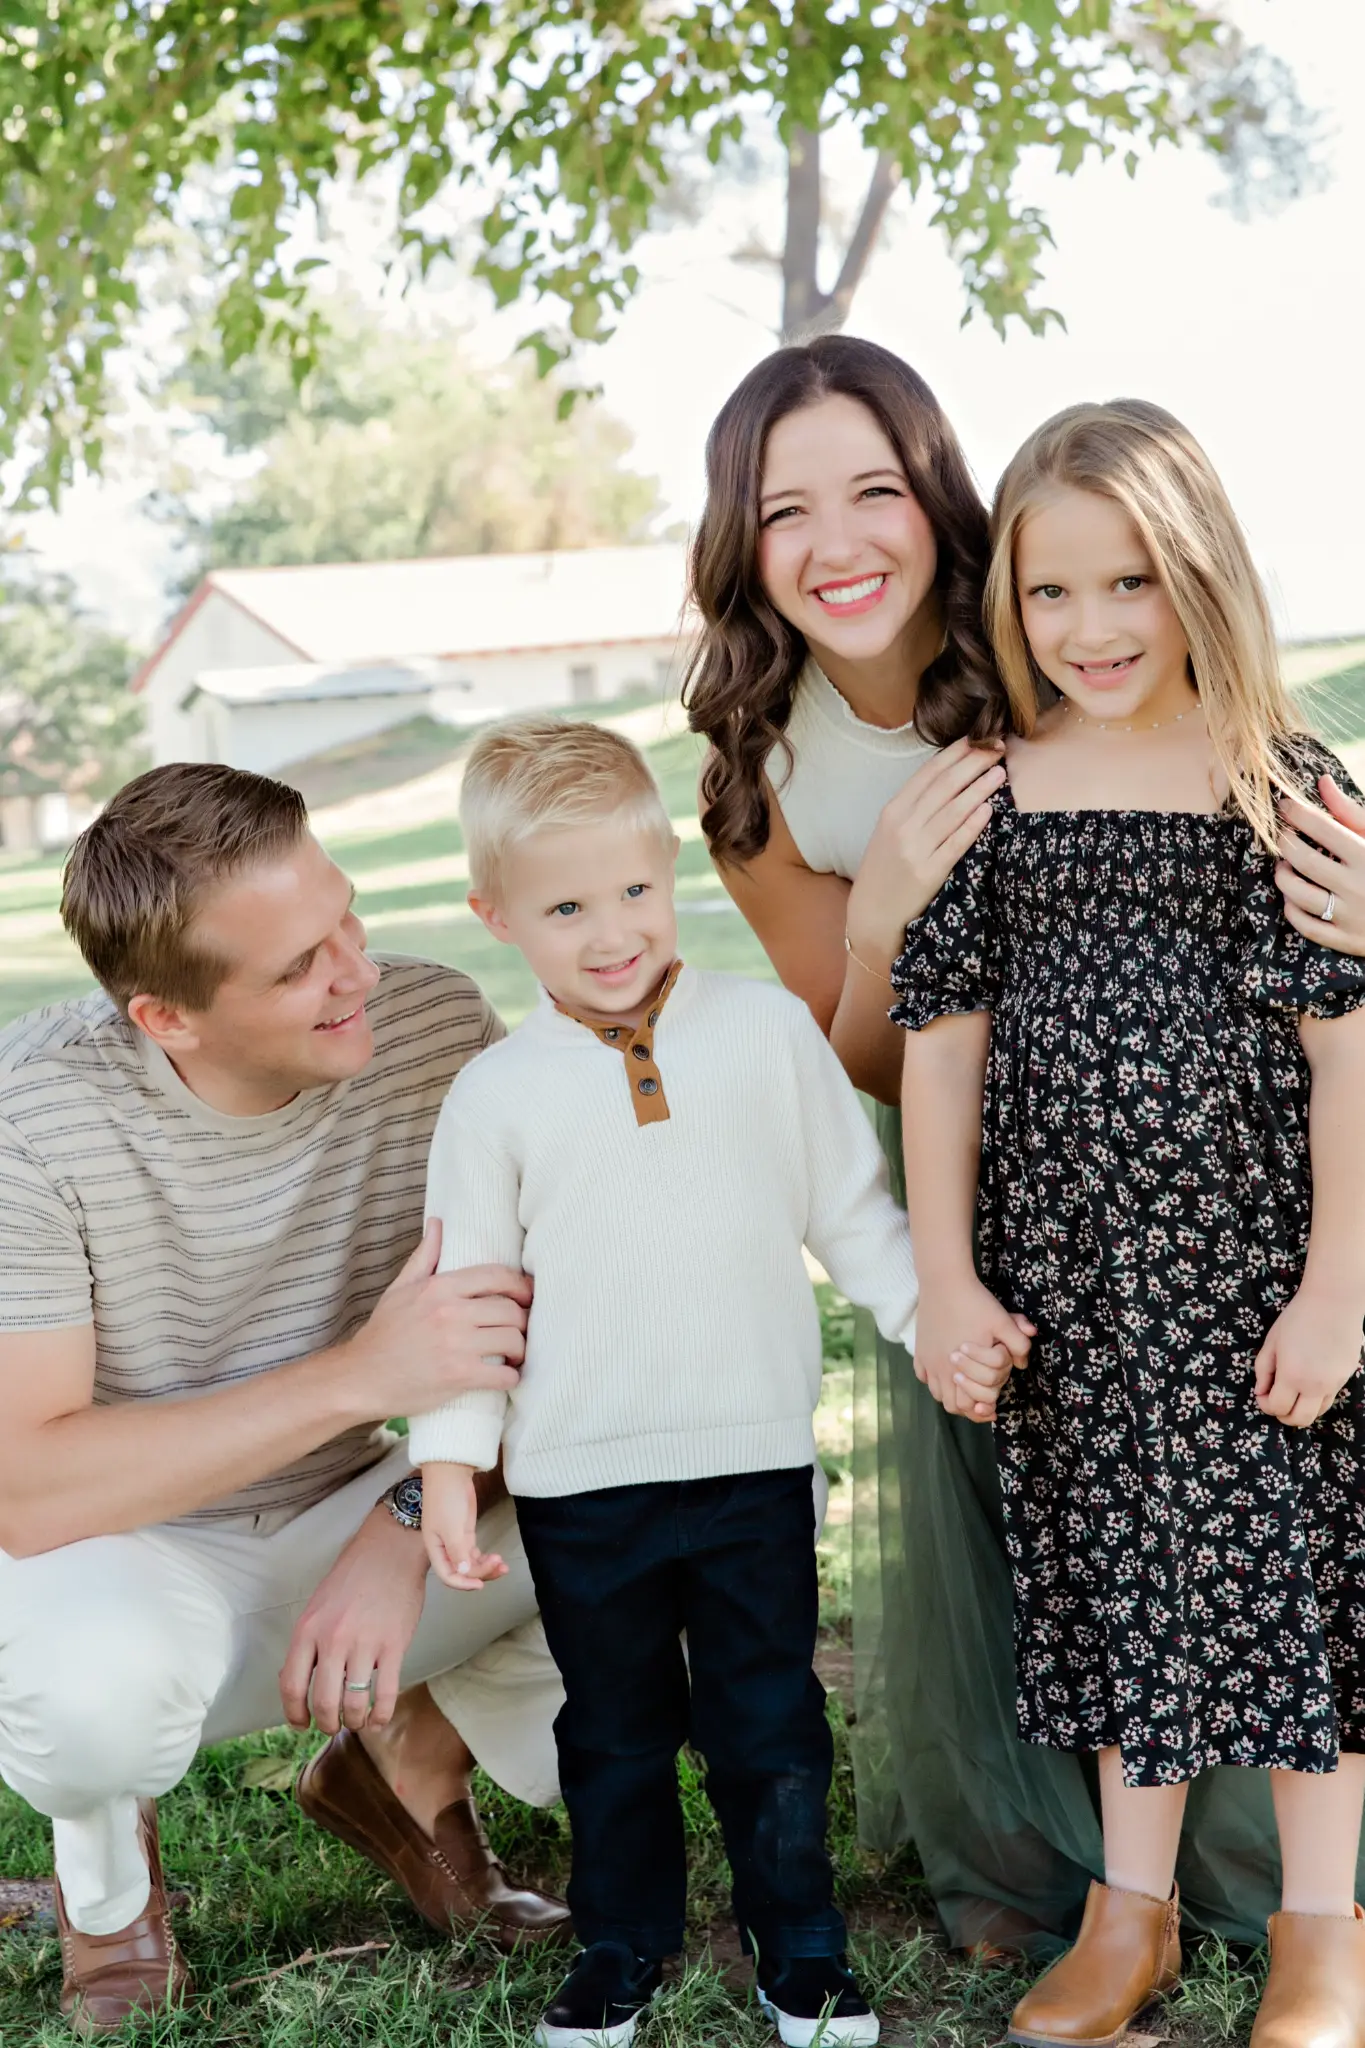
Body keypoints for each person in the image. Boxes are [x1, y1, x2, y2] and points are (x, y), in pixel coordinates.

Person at [682, 333, 1365, 1957]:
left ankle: (1294, 1905)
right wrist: (886, 922)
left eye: (872, 491)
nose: (837, 543)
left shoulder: (1069, 673)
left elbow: (1331, 997)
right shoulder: (778, 772)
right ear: (740, 544)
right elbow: (878, 1052)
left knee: (1271, 1554)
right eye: (784, 511)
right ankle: (1075, 1879)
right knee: (1068, 1548)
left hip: (1243, 1221)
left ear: (939, 504)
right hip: (1004, 1211)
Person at [895, 399, 1365, 2048]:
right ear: (1008, 603)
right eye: (1050, 591)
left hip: (1261, 1284)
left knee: (1303, 1592)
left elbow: (1346, 1048)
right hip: (1076, 1290)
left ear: (1199, 578)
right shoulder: (992, 796)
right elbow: (940, 1051)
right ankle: (1131, 1914)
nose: (1089, 627)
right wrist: (946, 1276)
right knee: (1116, 1587)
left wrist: (1336, 1289)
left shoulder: (1281, 788)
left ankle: (1325, 1931)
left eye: (1129, 583)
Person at [0, 764, 571, 2037]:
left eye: (346, 917)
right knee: (94, 1695)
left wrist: (405, 1519)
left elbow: (562, 1334)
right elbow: (30, 1489)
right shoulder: (31, 1120)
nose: (358, 970)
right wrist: (364, 1374)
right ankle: (108, 1889)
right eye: (300, 964)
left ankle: (406, 1764)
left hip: (362, 1502)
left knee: (711, 1493)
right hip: (119, 1546)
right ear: (167, 1016)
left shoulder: (432, 1027)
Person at [403, 715, 924, 2048]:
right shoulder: (495, 1095)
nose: (611, 931)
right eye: (565, 906)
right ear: (496, 915)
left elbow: (852, 1213)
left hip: (754, 1462)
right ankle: (620, 1942)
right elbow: (469, 1305)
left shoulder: (765, 1033)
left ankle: (800, 1943)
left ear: (670, 865)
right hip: (584, 1482)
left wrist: (934, 1325)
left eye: (633, 888)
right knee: (615, 1733)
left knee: (771, 1721)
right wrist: (449, 1466)